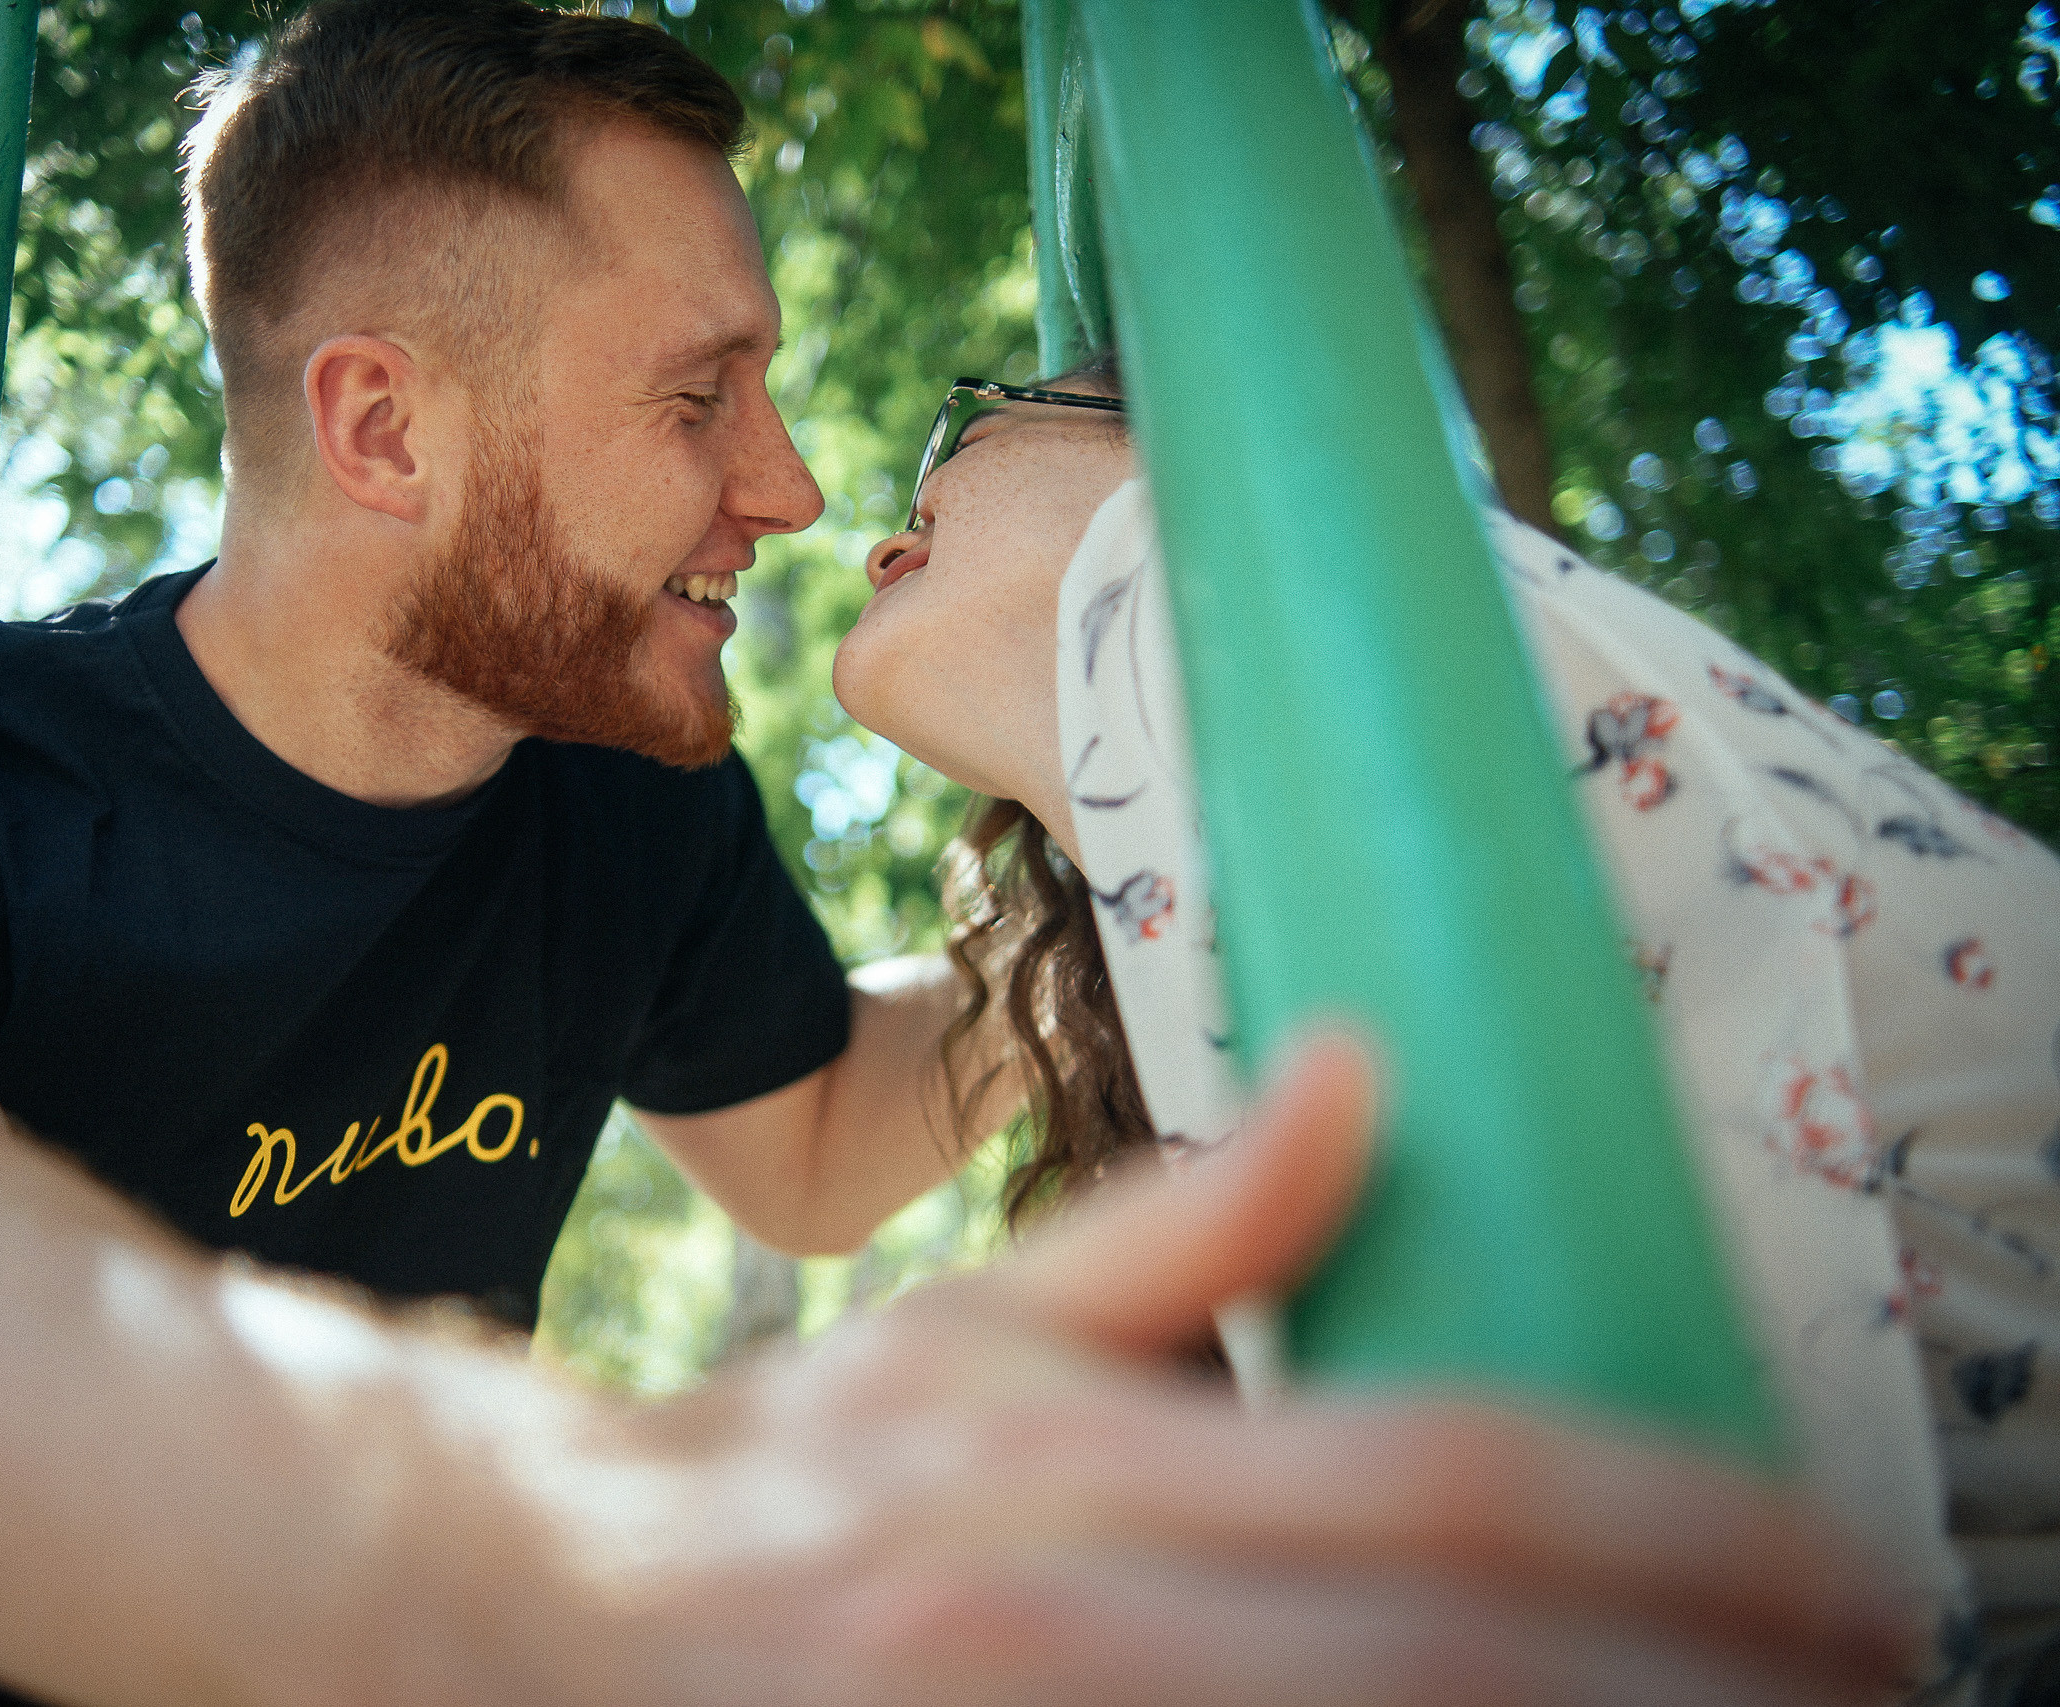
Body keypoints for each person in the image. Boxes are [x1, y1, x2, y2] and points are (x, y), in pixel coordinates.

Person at [0, 4, 1918, 1702]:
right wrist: (531, 1551)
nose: (788, 481)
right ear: (380, 428)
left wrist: (1163, 831)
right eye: (698, 393)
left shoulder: (622, 806)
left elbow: (822, 1144)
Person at [833, 353, 2060, 1704]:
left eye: (962, 434)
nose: (885, 538)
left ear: (1178, 432)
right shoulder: (1241, 918)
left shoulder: (1340, 631)